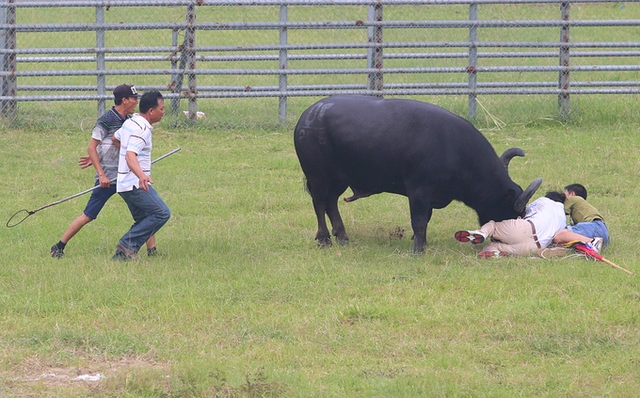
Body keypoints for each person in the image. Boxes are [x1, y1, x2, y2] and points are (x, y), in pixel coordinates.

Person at [50, 84, 157, 258]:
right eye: (134, 98)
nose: (136, 102)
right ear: (124, 100)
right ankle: (59, 246)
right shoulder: (106, 120)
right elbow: (92, 147)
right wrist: (101, 173)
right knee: (89, 215)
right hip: (107, 180)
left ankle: (152, 251)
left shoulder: (129, 121)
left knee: (145, 214)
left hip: (125, 178)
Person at [112, 90, 170, 260]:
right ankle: (127, 245)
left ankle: (121, 256)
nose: (163, 111)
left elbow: (116, 139)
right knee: (161, 213)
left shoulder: (131, 123)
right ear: (151, 111)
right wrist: (141, 175)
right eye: (162, 108)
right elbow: (130, 155)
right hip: (134, 184)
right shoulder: (142, 129)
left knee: (143, 218)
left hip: (123, 183)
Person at [454, 191, 569, 258]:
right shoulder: (563, 220)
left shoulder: (544, 201)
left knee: (493, 226)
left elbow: (523, 211)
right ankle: (496, 253)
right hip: (533, 248)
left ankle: (482, 233)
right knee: (493, 246)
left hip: (526, 228)